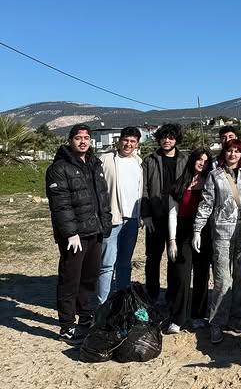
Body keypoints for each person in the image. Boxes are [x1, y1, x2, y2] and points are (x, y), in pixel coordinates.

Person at [46, 124, 111, 343]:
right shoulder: (59, 168)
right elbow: (60, 204)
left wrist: (105, 224)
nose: (82, 141)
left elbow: (102, 197)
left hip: (94, 231)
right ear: (70, 141)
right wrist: (70, 233)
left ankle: (85, 319)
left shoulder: (94, 164)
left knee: (89, 279)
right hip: (75, 237)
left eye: (86, 138)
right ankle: (66, 326)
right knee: (70, 280)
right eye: (78, 138)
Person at [193, 138, 241, 344]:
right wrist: (197, 229)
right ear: (224, 153)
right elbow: (206, 203)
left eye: (237, 151)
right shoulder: (215, 175)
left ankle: (237, 317)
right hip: (221, 231)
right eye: (230, 151)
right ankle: (217, 322)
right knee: (222, 279)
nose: (233, 155)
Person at [165, 148, 213, 334]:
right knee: (182, 275)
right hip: (183, 232)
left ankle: (198, 315)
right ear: (192, 160)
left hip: (204, 232)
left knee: (202, 274)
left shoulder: (210, 183)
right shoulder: (179, 185)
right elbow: (172, 214)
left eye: (205, 160)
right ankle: (178, 318)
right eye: (199, 159)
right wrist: (172, 240)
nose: (202, 163)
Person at [96, 126, 143, 305]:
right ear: (119, 140)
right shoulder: (106, 159)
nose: (128, 144)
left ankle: (122, 304)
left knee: (124, 263)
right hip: (112, 218)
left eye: (132, 141)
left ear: (137, 144)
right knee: (107, 263)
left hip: (132, 219)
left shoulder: (139, 162)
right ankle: (104, 305)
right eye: (126, 140)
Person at [140, 123, 187, 303]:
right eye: (164, 137)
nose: (167, 141)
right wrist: (146, 215)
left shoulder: (184, 159)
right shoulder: (150, 160)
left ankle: (171, 295)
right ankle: (152, 295)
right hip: (155, 215)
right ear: (159, 138)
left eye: (171, 137)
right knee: (153, 258)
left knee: (174, 257)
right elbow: (143, 189)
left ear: (176, 140)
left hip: (176, 215)